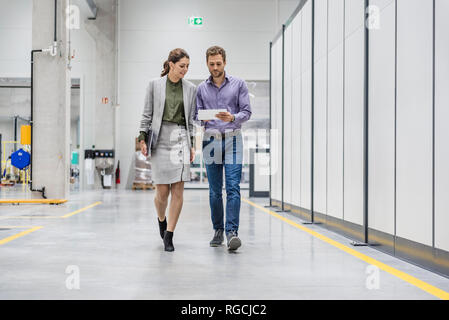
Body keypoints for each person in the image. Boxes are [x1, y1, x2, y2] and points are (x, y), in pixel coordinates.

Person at [138, 48, 197, 252]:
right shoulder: (154, 85)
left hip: (180, 138)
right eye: (182, 66)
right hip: (160, 138)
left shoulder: (190, 88)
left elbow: (191, 120)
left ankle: (169, 234)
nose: (185, 70)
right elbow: (146, 115)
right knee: (162, 193)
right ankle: (161, 219)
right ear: (171, 65)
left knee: (178, 190)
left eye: (188, 66)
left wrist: (192, 145)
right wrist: (142, 139)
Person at [194, 46, 252, 251]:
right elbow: (195, 115)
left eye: (219, 63)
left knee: (233, 187)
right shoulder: (201, 88)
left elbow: (247, 111)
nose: (215, 67)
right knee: (214, 191)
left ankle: (232, 232)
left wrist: (233, 117)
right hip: (210, 140)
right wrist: (204, 116)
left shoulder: (239, 84)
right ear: (207, 63)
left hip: (233, 140)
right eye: (212, 64)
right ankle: (218, 230)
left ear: (225, 62)